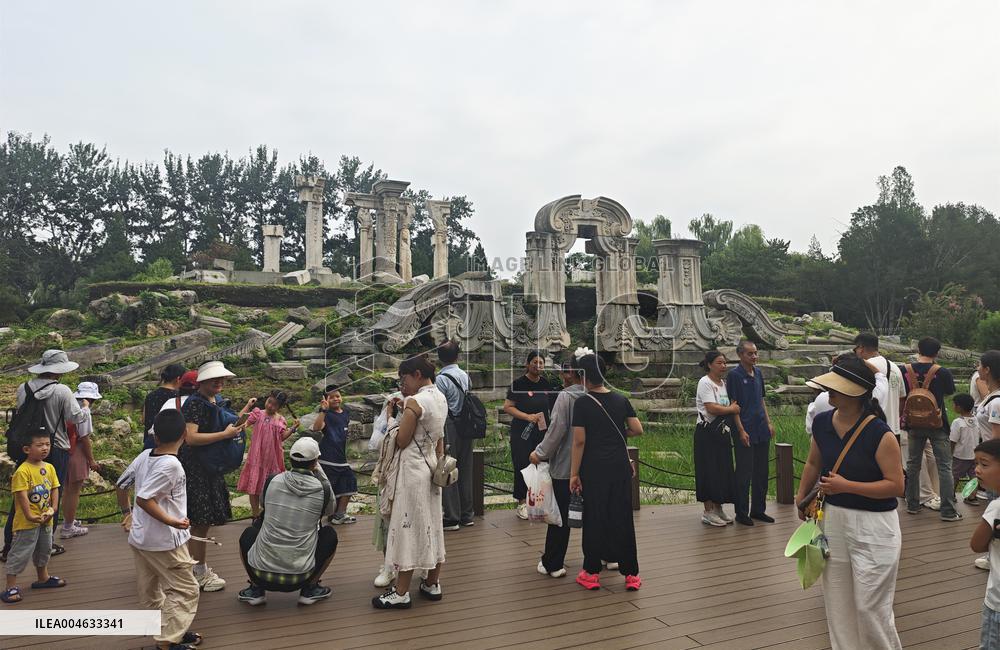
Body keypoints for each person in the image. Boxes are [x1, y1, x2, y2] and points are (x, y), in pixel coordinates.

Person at [796, 356, 905, 650]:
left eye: (836, 387)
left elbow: (896, 486)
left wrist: (847, 486)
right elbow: (813, 461)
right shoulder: (822, 423)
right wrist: (801, 495)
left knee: (870, 606)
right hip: (833, 519)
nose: (829, 392)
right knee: (838, 602)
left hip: (874, 524)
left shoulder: (879, 433)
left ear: (856, 392)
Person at [117, 409, 202, 650]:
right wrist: (172, 521)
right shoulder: (171, 465)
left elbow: (122, 484)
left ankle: (170, 629)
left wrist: (127, 514)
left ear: (155, 436)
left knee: (151, 591)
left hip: (141, 539)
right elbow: (145, 498)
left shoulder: (145, 455)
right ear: (184, 434)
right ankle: (167, 641)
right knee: (185, 590)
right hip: (165, 540)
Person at [372, 355, 448, 609]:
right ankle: (432, 583)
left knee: (407, 526)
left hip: (412, 471)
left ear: (416, 374)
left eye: (404, 378)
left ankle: (401, 591)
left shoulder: (415, 402)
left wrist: (394, 418)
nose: (402, 384)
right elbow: (439, 438)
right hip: (431, 467)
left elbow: (402, 439)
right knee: (432, 525)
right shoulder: (440, 397)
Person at [3, 350, 91, 560]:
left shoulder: (24, 388)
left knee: (22, 495)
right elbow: (74, 417)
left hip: (28, 448)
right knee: (53, 495)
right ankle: (46, 544)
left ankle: (9, 544)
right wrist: (86, 408)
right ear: (59, 371)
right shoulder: (62, 390)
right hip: (55, 448)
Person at [570, 353, 643, 592]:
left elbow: (579, 441)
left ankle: (591, 573)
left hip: (594, 469)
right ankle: (631, 575)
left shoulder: (582, 403)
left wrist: (573, 474)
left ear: (583, 376)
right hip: (619, 468)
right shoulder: (621, 399)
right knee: (622, 518)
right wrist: (617, 434)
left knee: (595, 518)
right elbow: (637, 429)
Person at [238, 437, 338, 607]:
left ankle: (255, 589)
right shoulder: (322, 488)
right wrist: (320, 473)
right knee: (329, 534)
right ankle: (310, 589)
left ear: (290, 459)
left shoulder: (272, 480)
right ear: (315, 462)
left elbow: (264, 504)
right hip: (302, 576)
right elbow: (330, 511)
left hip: (260, 574)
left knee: (250, 532)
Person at [180, 360, 253, 592]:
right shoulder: (195, 403)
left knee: (202, 522)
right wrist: (224, 435)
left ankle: (193, 569)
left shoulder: (215, 400)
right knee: (200, 521)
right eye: (214, 378)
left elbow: (225, 426)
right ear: (202, 381)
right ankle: (198, 573)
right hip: (197, 467)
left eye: (221, 378)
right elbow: (190, 438)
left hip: (210, 466)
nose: (219, 382)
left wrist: (239, 422)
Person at [529, 352, 587, 577]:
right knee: (595, 513)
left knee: (560, 515)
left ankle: (553, 563)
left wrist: (540, 453)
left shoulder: (566, 397)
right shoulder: (596, 394)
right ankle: (604, 557)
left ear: (571, 373)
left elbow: (556, 430)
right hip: (592, 465)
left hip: (566, 466)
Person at [900, 336, 961, 521]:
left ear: (918, 349)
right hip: (937, 424)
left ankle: (912, 505)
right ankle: (948, 511)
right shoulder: (942, 372)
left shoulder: (904, 370)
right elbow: (949, 392)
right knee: (944, 466)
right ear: (936, 353)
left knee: (913, 464)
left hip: (913, 424)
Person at [1, 431, 64, 604]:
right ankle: (10, 586)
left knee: (45, 548)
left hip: (46, 519)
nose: (45, 448)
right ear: (27, 449)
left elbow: (55, 488)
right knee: (21, 551)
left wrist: (54, 508)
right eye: (40, 445)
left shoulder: (49, 467)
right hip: (27, 522)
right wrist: (29, 515)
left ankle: (43, 578)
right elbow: (21, 495)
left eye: (47, 444)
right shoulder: (23, 471)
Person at [725, 340, 776, 526]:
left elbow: (761, 400)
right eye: (750, 353)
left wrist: (768, 422)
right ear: (740, 355)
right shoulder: (734, 375)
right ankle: (741, 512)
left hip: (761, 427)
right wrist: (740, 430)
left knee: (761, 472)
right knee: (744, 472)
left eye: (755, 353)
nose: (754, 356)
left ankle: (758, 510)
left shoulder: (759, 373)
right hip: (744, 428)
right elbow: (733, 405)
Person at [503, 351, 555, 520]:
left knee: (542, 465)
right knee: (523, 464)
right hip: (522, 433)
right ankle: (522, 503)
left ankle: (539, 502)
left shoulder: (546, 384)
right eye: (534, 362)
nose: (537, 365)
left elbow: (551, 407)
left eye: (541, 363)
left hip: (542, 432)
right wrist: (527, 417)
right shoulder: (518, 384)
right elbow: (508, 407)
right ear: (527, 364)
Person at [694, 350, 740, 527]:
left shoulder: (724, 384)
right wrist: (731, 409)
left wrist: (730, 410)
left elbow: (728, 405)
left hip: (722, 432)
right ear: (709, 365)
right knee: (708, 470)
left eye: (725, 363)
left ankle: (718, 507)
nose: (723, 366)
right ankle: (708, 511)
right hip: (707, 433)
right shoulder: (705, 382)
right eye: (719, 363)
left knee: (722, 469)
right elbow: (711, 408)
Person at [237, 390, 297, 517]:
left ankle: (269, 515)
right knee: (253, 489)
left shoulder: (281, 419)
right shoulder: (258, 414)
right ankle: (255, 514)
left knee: (272, 488)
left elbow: (281, 437)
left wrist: (293, 428)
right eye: (269, 402)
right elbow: (241, 422)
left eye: (274, 405)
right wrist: (248, 405)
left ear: (279, 407)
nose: (270, 406)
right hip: (256, 458)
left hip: (273, 459)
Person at [436, 341, 475, 531]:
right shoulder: (465, 375)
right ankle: (467, 515)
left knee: (448, 467)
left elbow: (440, 405)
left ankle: (452, 516)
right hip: (467, 425)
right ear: (457, 356)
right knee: (466, 468)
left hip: (449, 425)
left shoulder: (441, 379)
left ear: (439, 358)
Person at [60, 382, 102, 539]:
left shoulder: (67, 404)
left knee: (66, 489)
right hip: (76, 450)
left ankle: (68, 520)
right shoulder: (84, 410)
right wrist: (91, 460)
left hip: (63, 449)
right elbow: (84, 438)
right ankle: (68, 527)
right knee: (74, 491)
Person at [970, 438, 1000, 649]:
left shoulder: (996, 508)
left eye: (984, 464)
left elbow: (977, 545)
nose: (977, 469)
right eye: (976, 463)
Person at [311, 385, 356, 525]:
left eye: (338, 396)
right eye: (331, 397)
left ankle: (337, 514)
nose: (336, 399)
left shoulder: (345, 413)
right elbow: (316, 428)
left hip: (340, 457)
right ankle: (318, 518)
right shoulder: (327, 414)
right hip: (328, 458)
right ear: (325, 400)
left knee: (345, 484)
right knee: (329, 488)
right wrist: (323, 411)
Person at [973, 351, 1000, 571]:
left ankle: (994, 557)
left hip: (993, 461)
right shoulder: (992, 397)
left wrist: (986, 465)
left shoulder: (996, 402)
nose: (978, 368)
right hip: (989, 461)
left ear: (988, 369)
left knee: (995, 506)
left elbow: (996, 440)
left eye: (980, 365)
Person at [142, 364, 187, 450]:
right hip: (167, 444)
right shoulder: (177, 397)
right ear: (178, 379)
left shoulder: (150, 395)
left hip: (149, 441)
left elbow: (143, 419)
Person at [950, 393, 979, 504]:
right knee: (974, 477)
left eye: (954, 404)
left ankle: (951, 495)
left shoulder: (957, 422)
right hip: (974, 455)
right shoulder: (976, 420)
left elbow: (953, 440)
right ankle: (972, 497)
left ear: (959, 407)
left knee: (954, 476)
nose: (953, 406)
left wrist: (950, 453)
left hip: (960, 456)